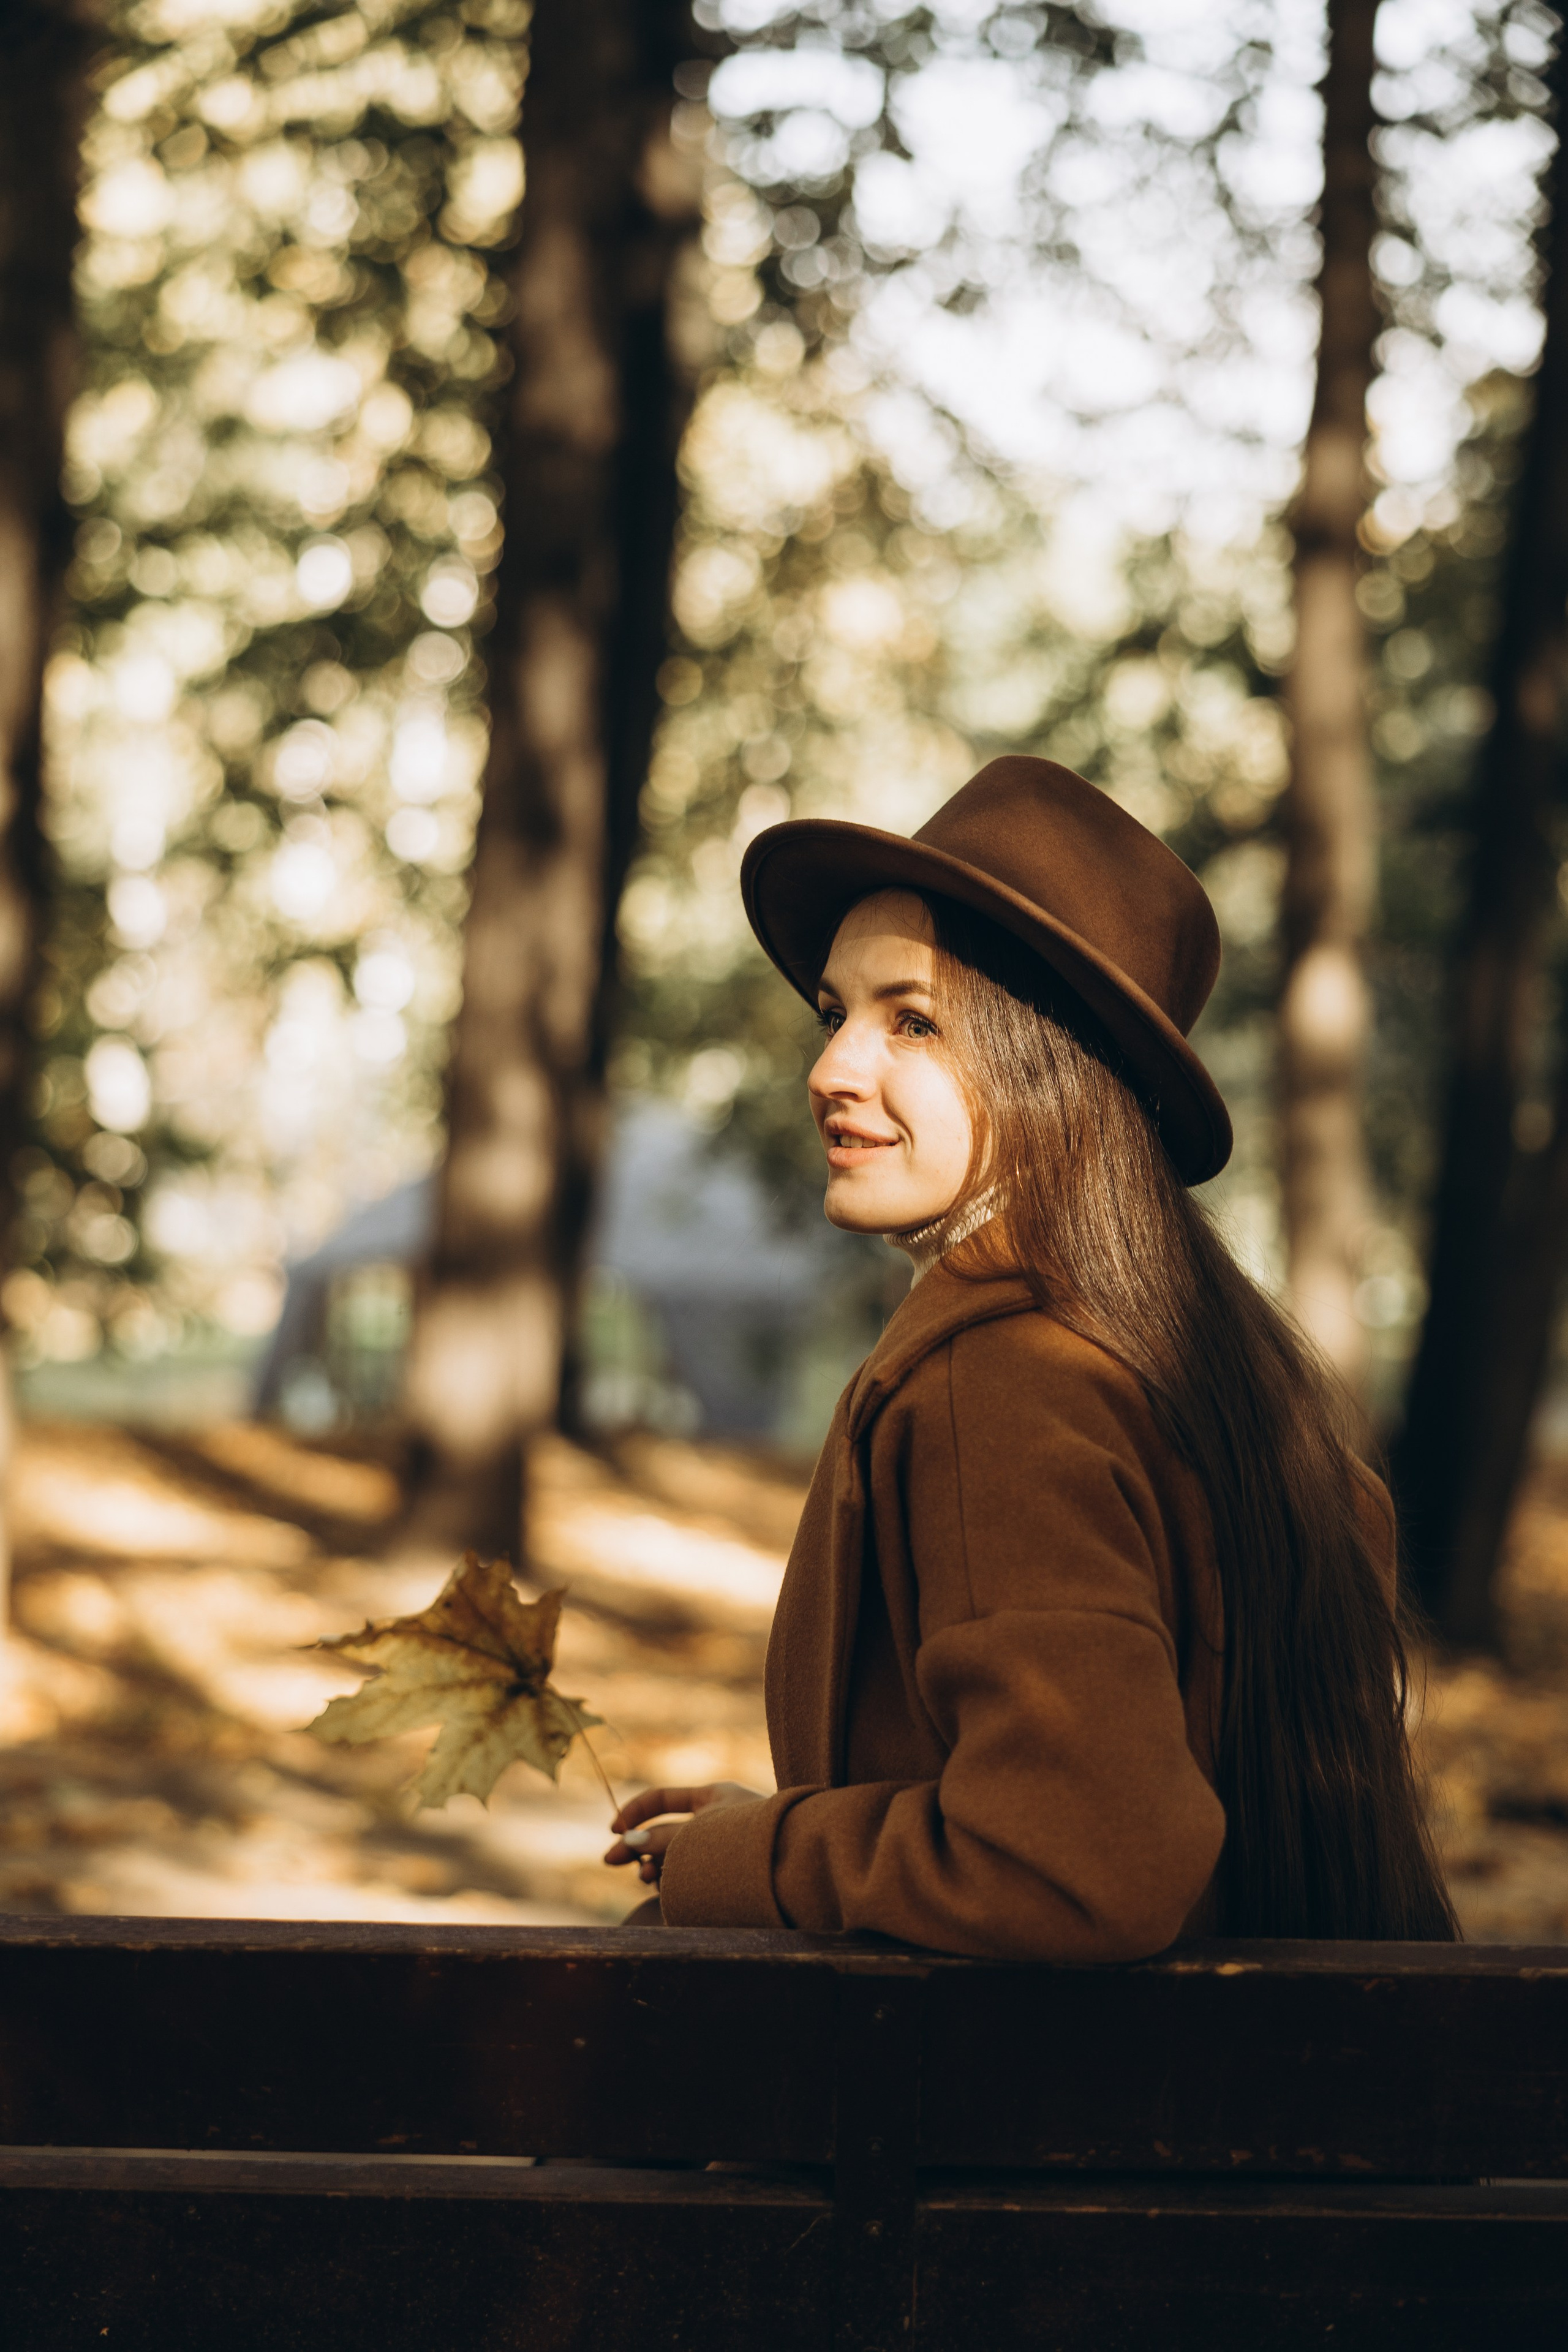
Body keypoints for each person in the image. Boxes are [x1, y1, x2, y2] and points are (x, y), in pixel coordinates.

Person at [603, 755, 1457, 1958]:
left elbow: (1082, 1860)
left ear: (1049, 1066)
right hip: (1269, 2114)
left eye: (910, 1020)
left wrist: (758, 1859)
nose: (831, 1069)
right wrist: (785, 1828)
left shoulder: (1000, 1385)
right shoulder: (1219, 1373)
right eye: (834, 1013)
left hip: (1031, 2135)